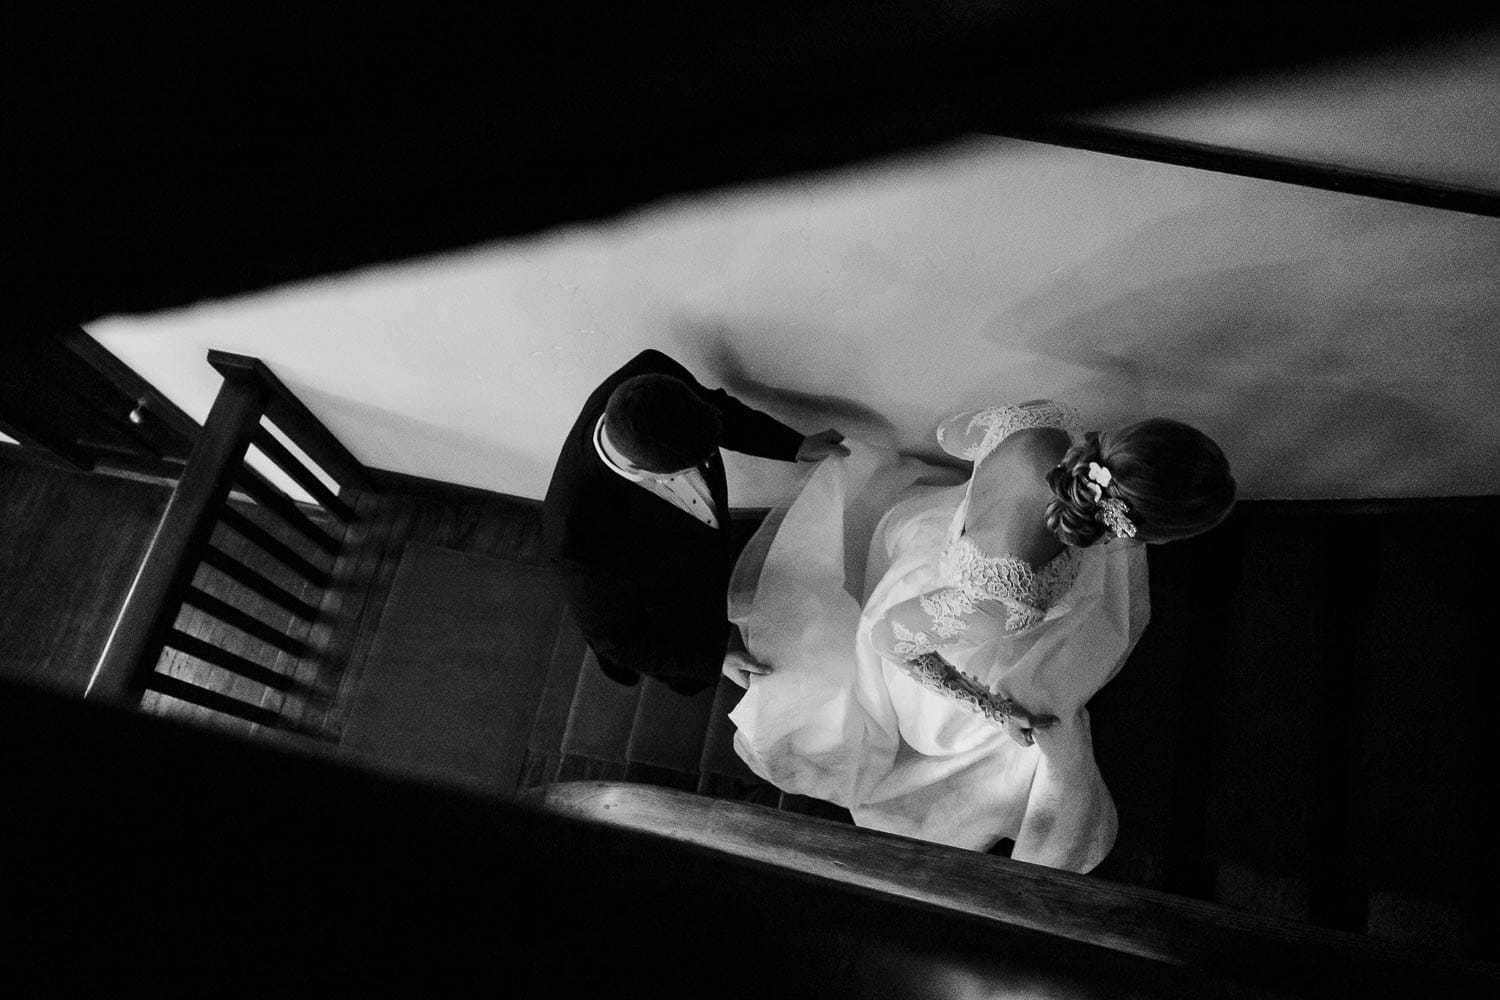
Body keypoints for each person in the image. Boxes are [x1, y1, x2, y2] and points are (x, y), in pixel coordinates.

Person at [726, 400, 1235, 871]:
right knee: (1023, 748)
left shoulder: (1053, 420)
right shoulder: (1012, 597)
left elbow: (954, 436)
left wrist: (992, 503)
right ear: (1136, 529)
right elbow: (889, 640)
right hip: (949, 621)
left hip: (928, 542)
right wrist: (996, 710)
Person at [541, 348, 848, 696]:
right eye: (690, 469)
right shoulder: (575, 540)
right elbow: (618, 640)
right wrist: (715, 662)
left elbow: (723, 413)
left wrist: (795, 445)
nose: (707, 466)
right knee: (669, 672)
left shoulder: (651, 372)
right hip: (662, 610)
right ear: (638, 470)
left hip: (697, 563)